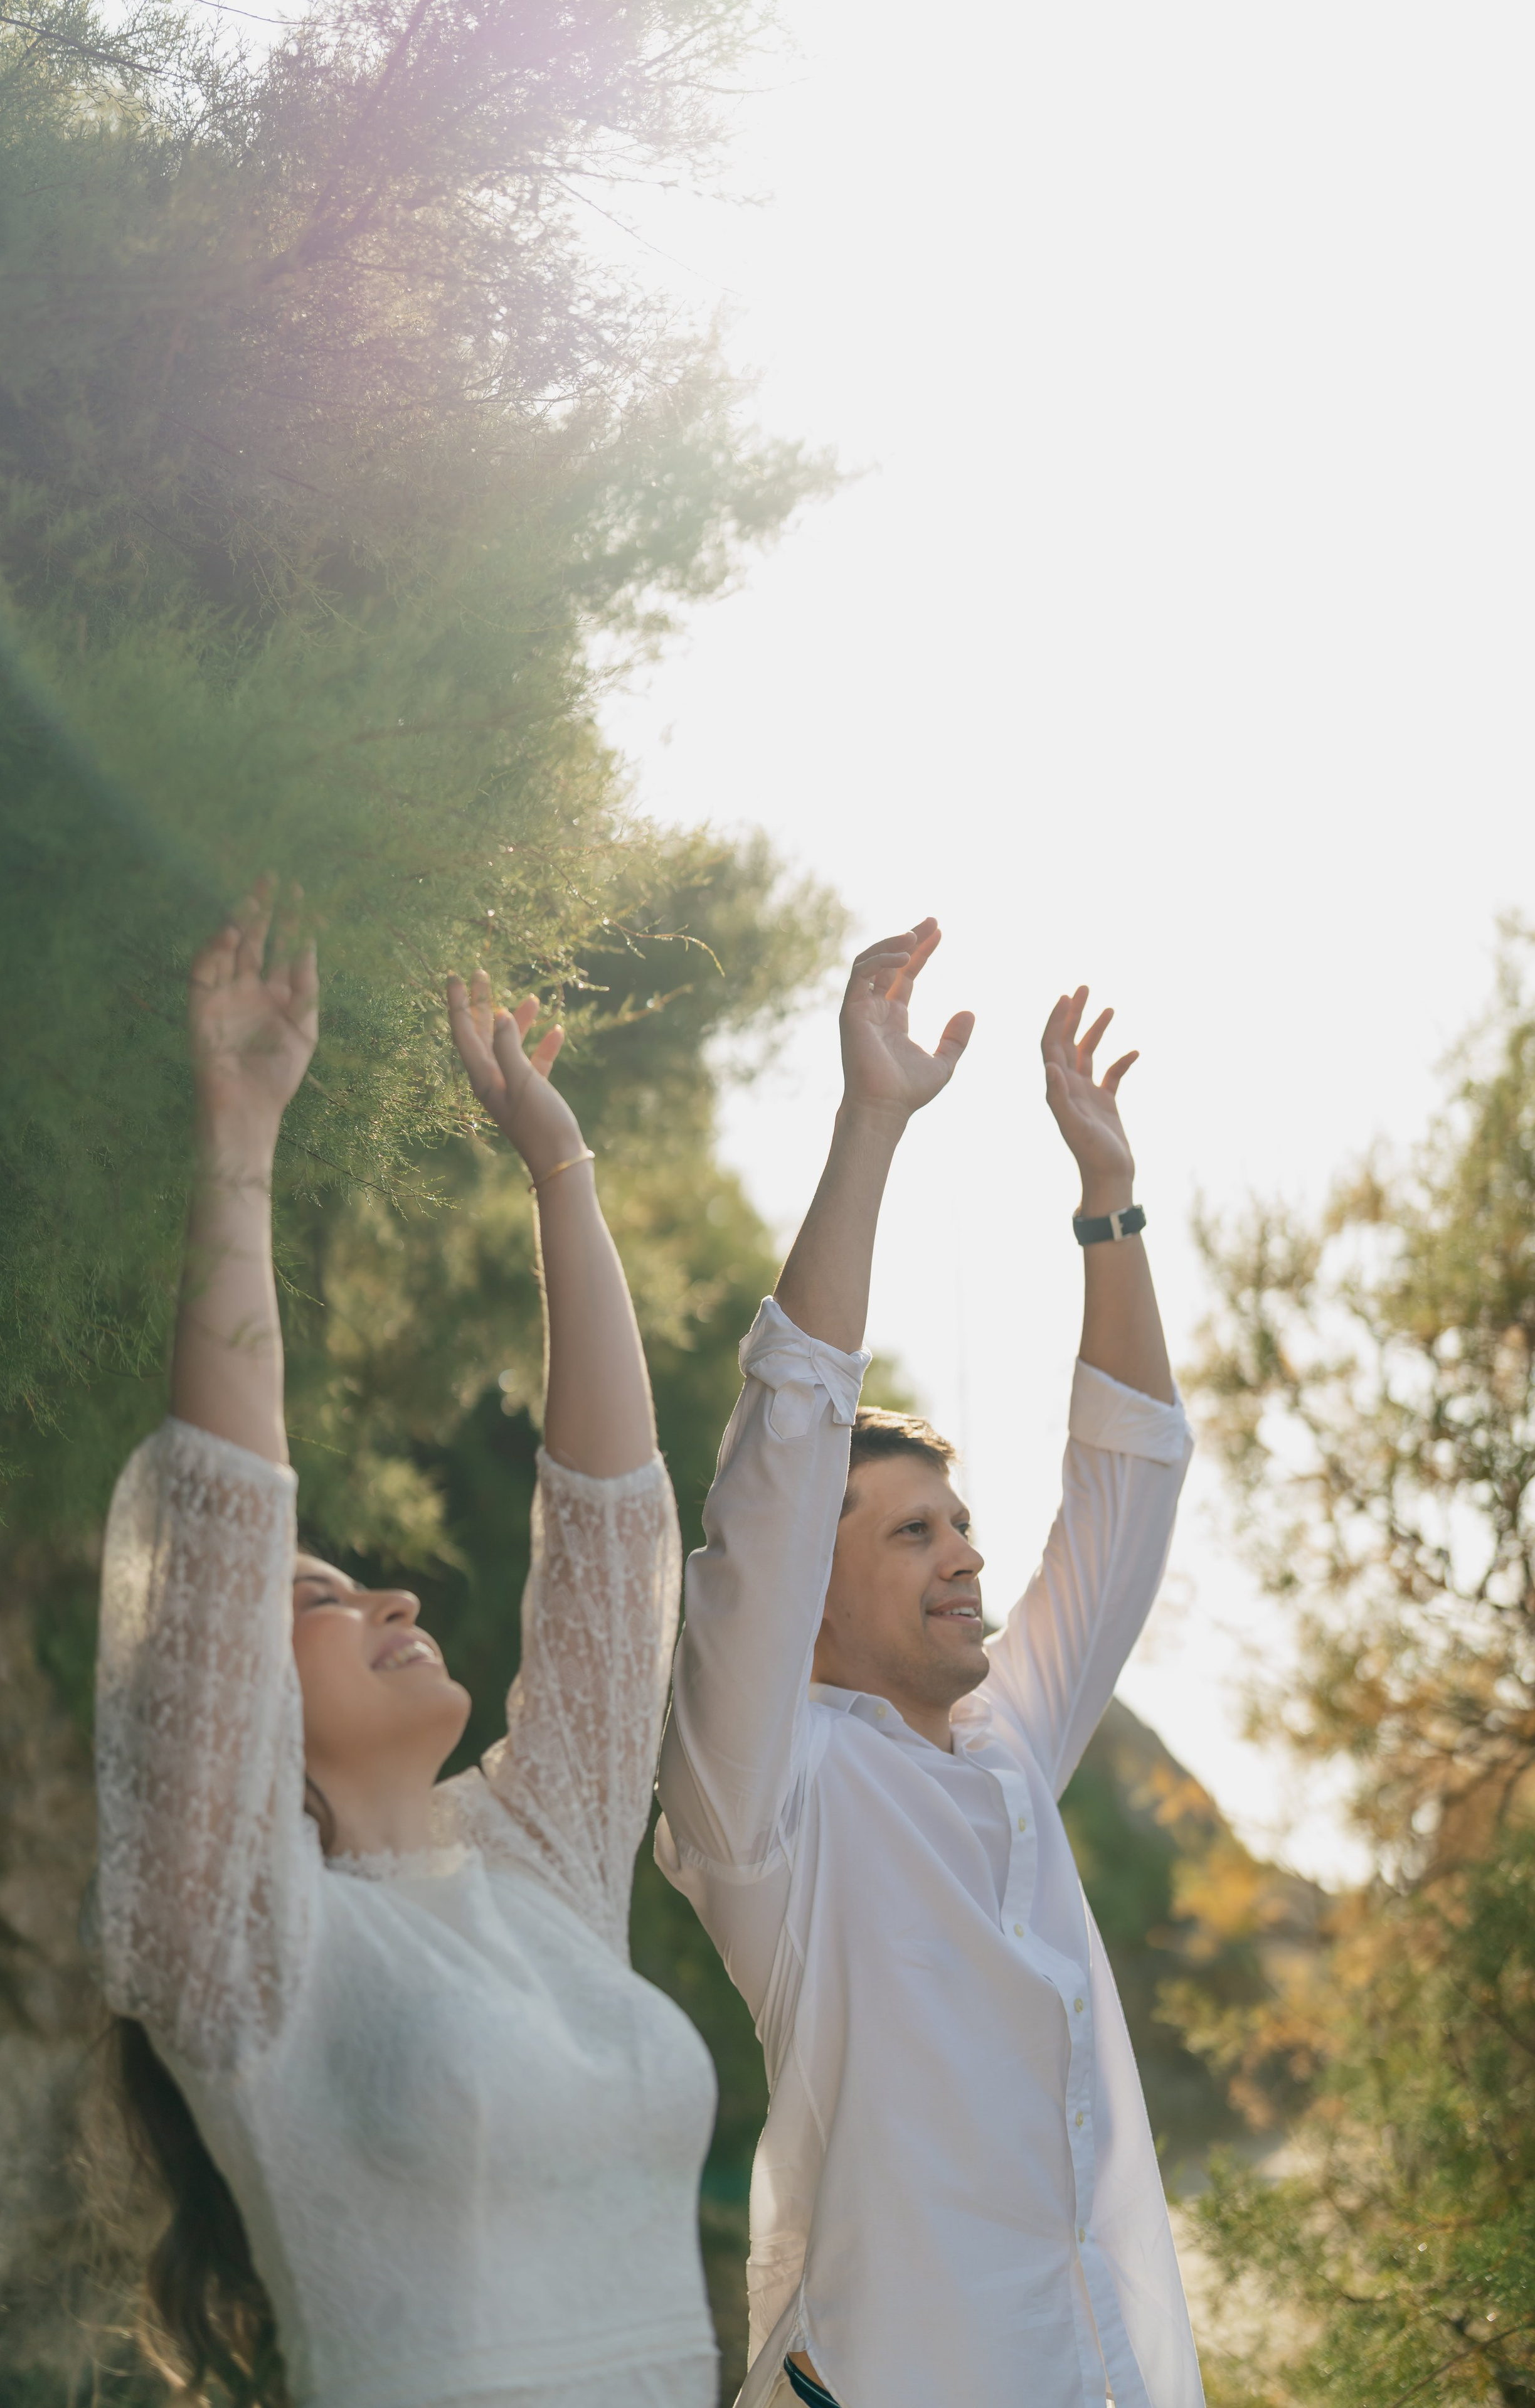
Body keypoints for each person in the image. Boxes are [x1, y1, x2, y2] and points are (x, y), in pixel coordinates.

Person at [93, 887, 719, 2407]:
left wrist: (560, 1170)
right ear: (220, 1693)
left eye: (366, 1584)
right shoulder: (242, 1940)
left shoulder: (539, 1867)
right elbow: (223, 1498)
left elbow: (612, 1544)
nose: (389, 1601)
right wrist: (238, 1140)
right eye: (316, 1596)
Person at [655, 918, 1203, 2408]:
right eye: (910, 1532)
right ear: (810, 1604)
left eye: (960, 1523)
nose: (965, 1553)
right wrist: (868, 1124)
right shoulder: (770, 1807)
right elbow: (774, 1469)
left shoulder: (1009, 1749)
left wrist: (1107, 1206)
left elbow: (1126, 1487)